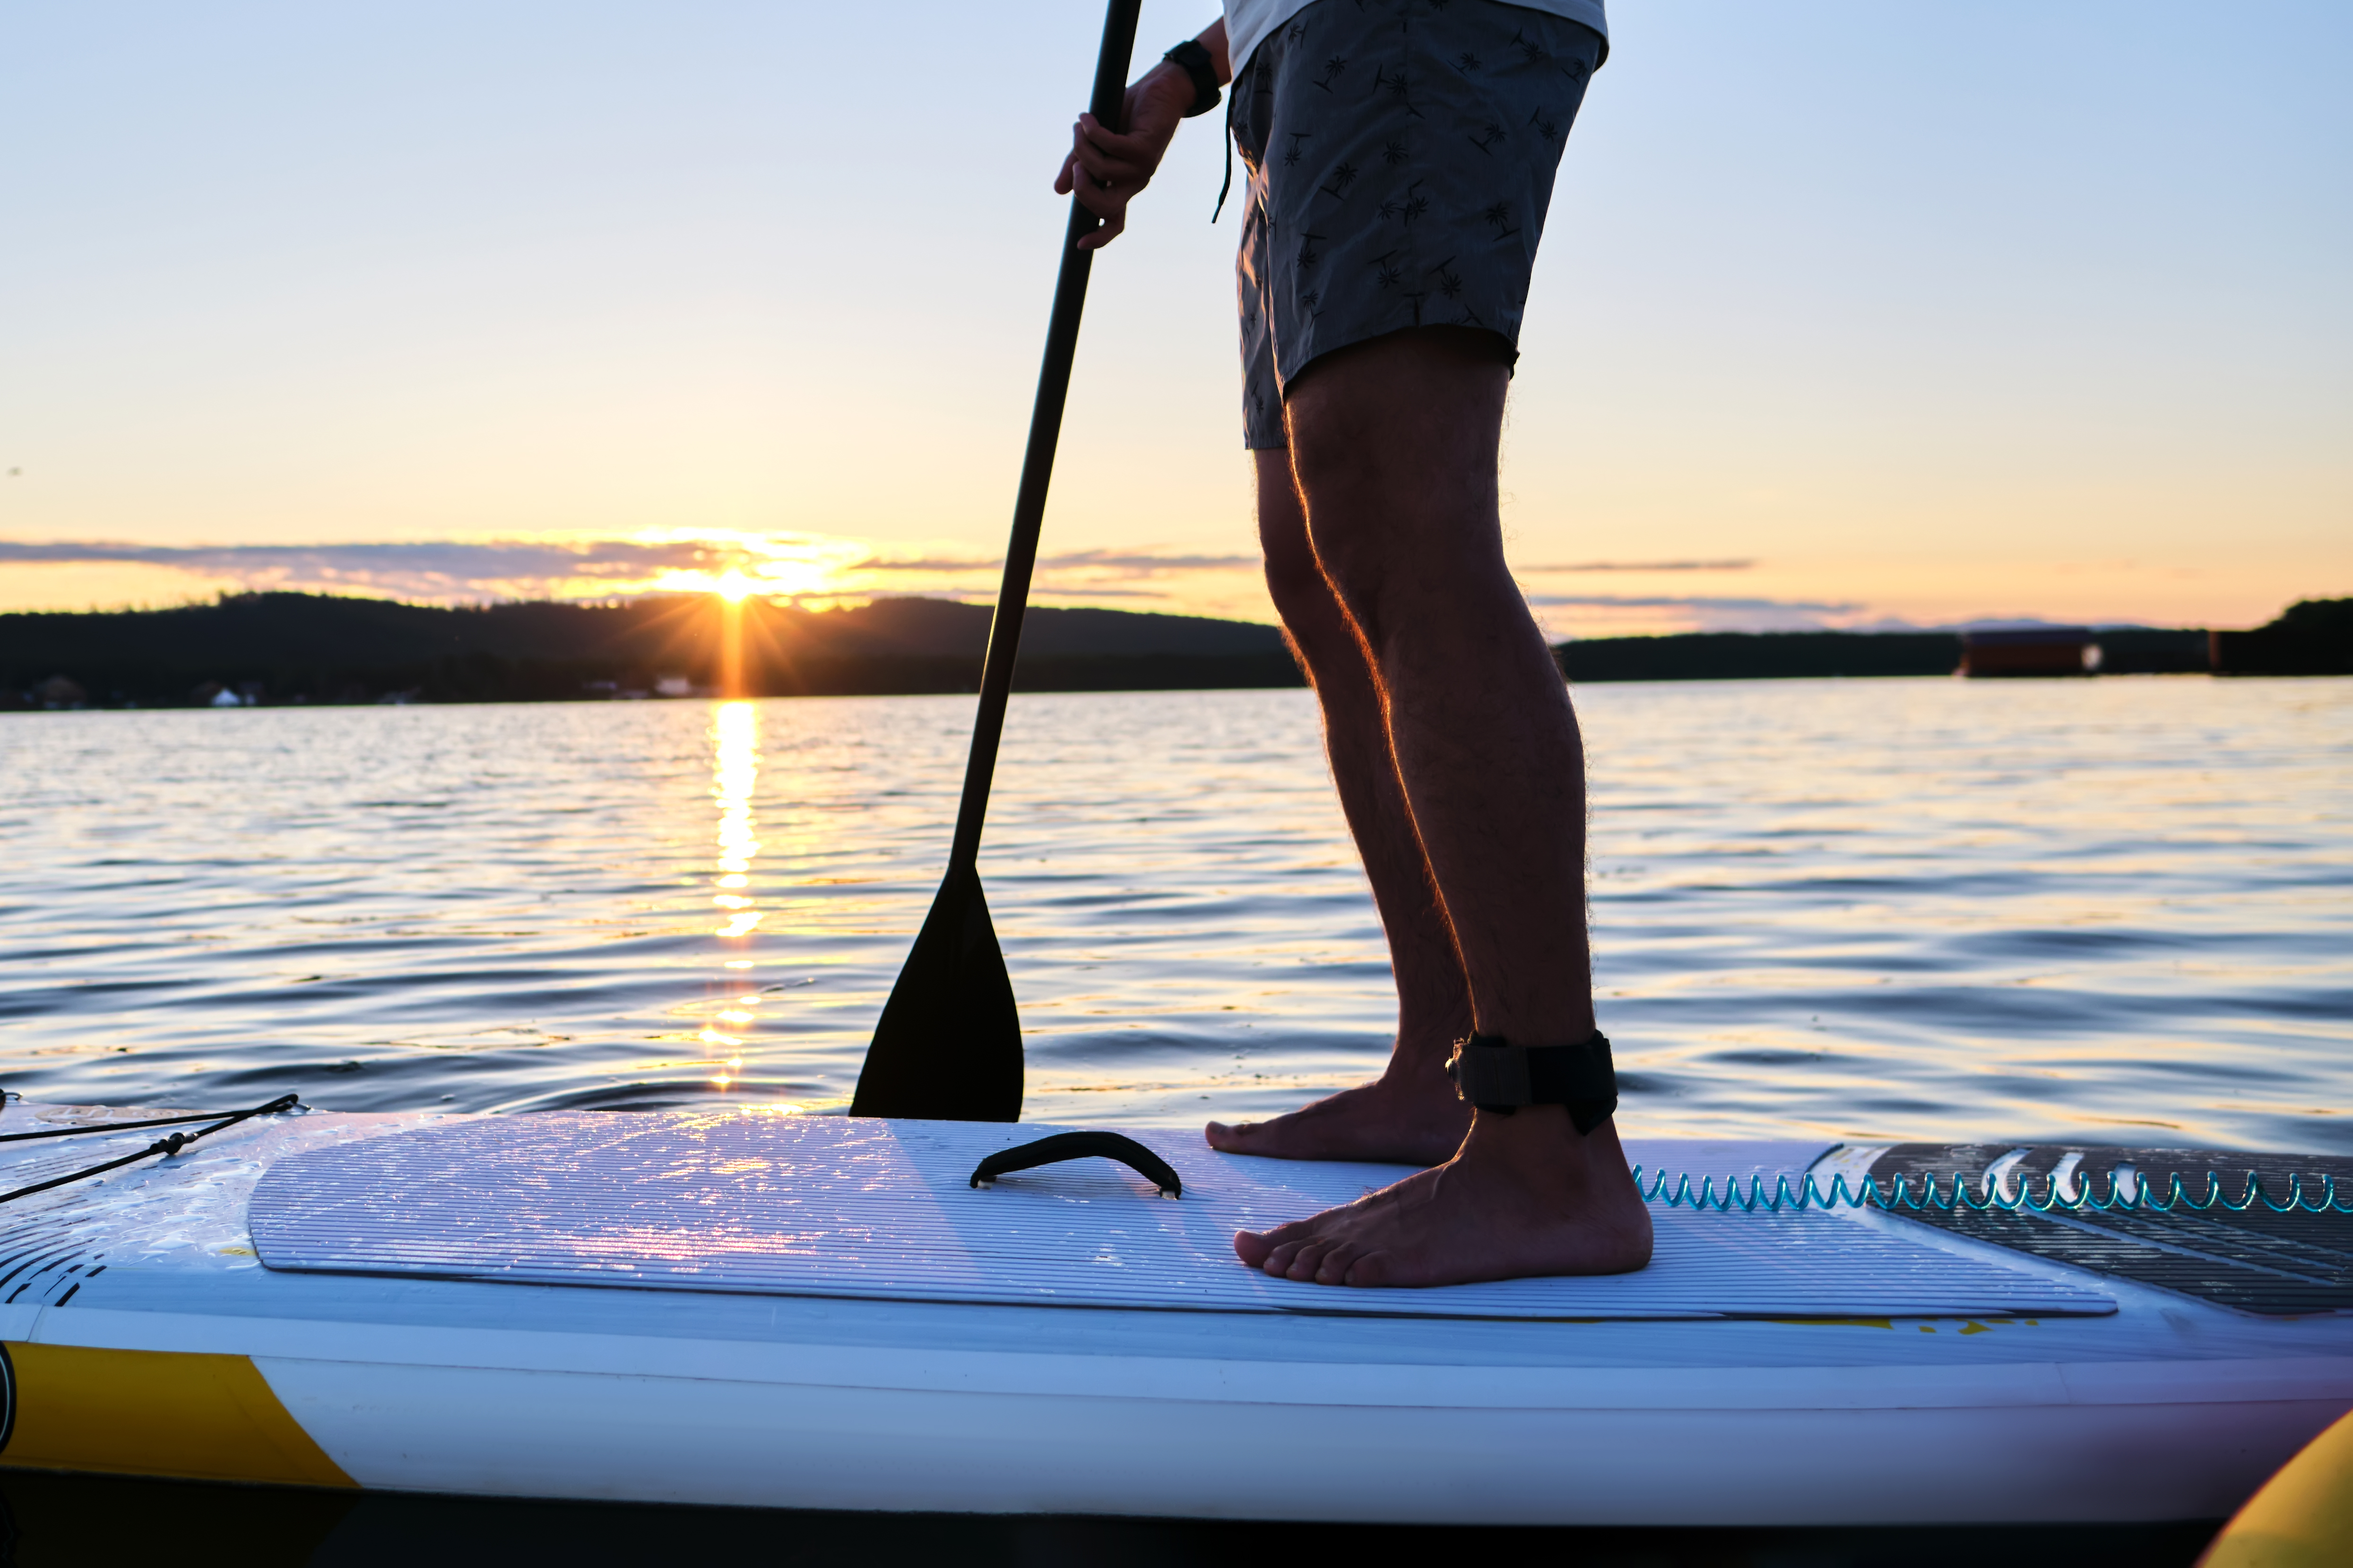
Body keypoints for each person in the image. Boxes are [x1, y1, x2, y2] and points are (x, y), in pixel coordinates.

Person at [1058, 0, 1652, 1287]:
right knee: (1317, 570)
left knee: (1400, 522)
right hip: (1294, 58)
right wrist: (1189, 72)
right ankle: (1443, 1067)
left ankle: (1545, 1144)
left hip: (1401, 24)